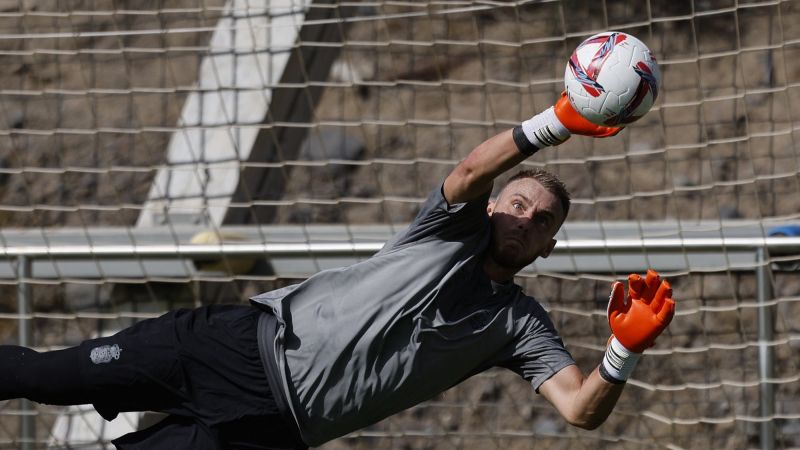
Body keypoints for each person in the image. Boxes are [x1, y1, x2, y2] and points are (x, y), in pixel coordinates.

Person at [0, 94, 675, 449]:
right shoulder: (451, 227)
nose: (525, 220)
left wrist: (622, 349)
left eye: (543, 221)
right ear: (495, 205)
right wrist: (558, 119)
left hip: (276, 428)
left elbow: (580, 411)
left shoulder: (519, 327)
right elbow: (471, 169)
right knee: (42, 376)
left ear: (548, 247)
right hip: (230, 347)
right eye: (519, 204)